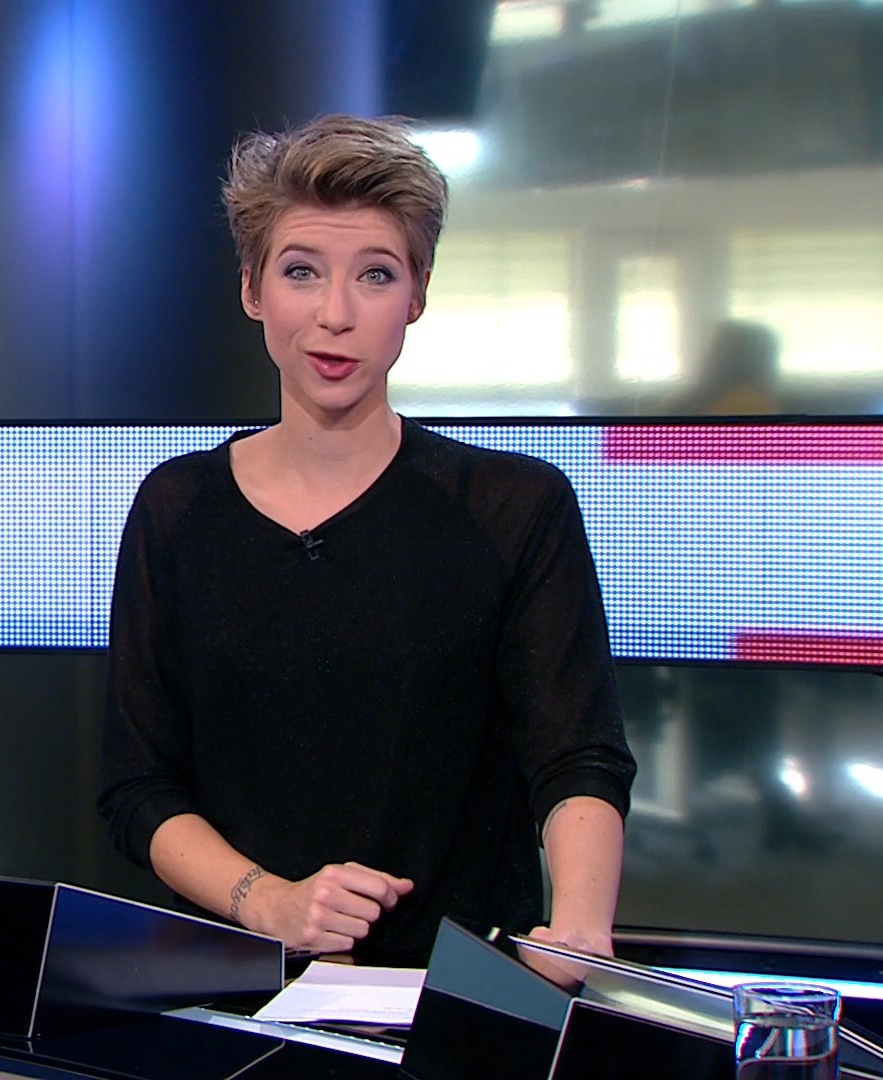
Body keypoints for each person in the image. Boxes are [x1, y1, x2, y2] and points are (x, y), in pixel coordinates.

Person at [97, 115, 636, 967]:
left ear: (417, 295)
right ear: (252, 289)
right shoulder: (178, 508)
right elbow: (138, 785)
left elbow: (577, 756)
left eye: (375, 275)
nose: (335, 315)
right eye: (301, 272)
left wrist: (579, 930)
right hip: (239, 994)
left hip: (454, 994)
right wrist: (270, 903)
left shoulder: (513, 507)